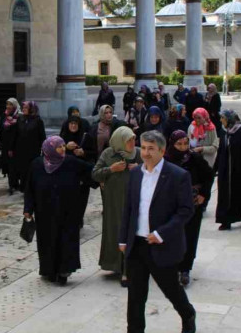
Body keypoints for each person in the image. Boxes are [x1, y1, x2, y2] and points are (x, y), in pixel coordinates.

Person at [118, 130, 196, 333]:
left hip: (162, 244)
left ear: (162, 151)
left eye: (151, 149)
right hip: (136, 245)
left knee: (171, 289)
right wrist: (123, 238)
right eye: (143, 148)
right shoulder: (135, 174)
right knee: (135, 295)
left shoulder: (178, 176)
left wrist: (162, 233)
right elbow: (129, 208)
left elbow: (186, 210)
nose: (145, 153)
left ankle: (187, 314)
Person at [24, 136, 94, 284]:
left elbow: (91, 172)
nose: (63, 149)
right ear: (49, 149)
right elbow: (29, 188)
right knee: (47, 241)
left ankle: (64, 272)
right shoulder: (37, 165)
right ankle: (49, 270)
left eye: (63, 146)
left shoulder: (70, 162)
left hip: (68, 211)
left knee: (66, 240)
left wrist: (106, 175)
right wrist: (28, 209)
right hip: (44, 212)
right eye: (59, 147)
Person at [92, 127, 141, 286]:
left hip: (135, 202)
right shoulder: (108, 154)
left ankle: (129, 270)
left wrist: (140, 169)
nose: (133, 143)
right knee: (116, 232)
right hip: (114, 202)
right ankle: (116, 265)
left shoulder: (139, 153)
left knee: (132, 233)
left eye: (134, 139)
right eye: (129, 140)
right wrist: (111, 169)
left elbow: (155, 170)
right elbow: (95, 173)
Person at [165, 130, 214, 286]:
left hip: (193, 203)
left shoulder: (194, 158)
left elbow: (209, 175)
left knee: (190, 235)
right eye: (179, 144)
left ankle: (185, 268)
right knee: (172, 235)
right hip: (172, 205)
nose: (183, 147)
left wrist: (204, 195)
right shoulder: (166, 161)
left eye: (185, 143)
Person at [216, 109, 241, 230]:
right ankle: (226, 220)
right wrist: (215, 168)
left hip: (240, 170)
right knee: (225, 195)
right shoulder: (224, 132)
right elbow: (221, 151)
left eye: (223, 118)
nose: (221, 120)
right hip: (225, 171)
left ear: (229, 119)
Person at [60, 115, 98, 228]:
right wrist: (66, 147)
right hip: (67, 175)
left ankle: (78, 219)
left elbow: (93, 153)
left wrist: (83, 152)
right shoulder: (62, 138)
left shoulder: (86, 137)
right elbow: (56, 154)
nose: (73, 125)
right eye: (71, 123)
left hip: (82, 176)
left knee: (81, 200)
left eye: (75, 124)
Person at [10, 101, 46, 195]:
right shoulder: (20, 119)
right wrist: (11, 148)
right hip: (21, 150)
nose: (23, 109)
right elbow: (15, 134)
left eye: (26, 108)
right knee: (23, 170)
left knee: (32, 170)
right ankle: (24, 188)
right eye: (23, 107)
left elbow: (42, 136)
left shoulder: (38, 120)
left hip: (33, 151)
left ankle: (32, 189)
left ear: (31, 109)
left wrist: (44, 149)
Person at [0, 98, 20, 193]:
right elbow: (1, 129)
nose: (8, 106)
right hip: (6, 145)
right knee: (8, 166)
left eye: (10, 104)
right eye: (7, 104)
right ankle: (12, 184)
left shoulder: (18, 116)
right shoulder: (4, 115)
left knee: (14, 165)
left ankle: (15, 184)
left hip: (15, 145)